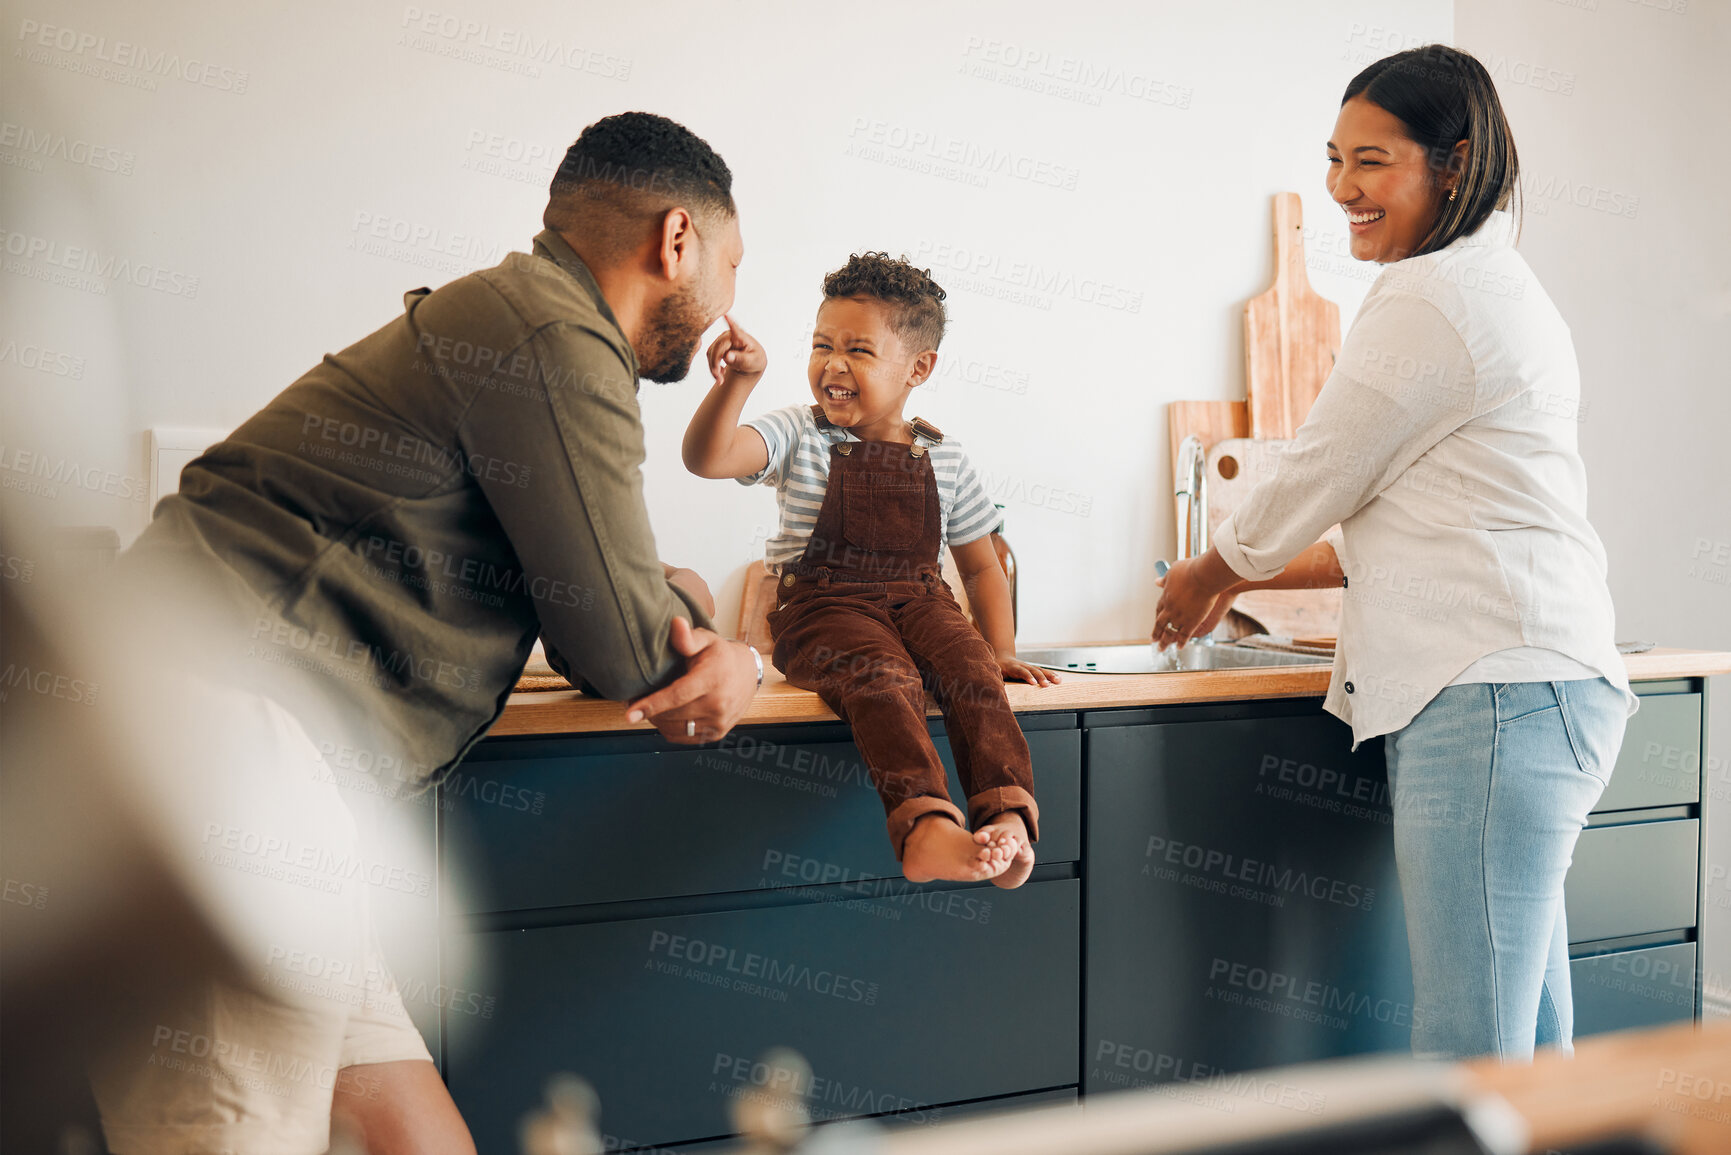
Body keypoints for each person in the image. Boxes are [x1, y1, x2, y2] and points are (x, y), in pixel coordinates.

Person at [93, 112, 762, 1154]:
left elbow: (610, 582)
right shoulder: (553, 330)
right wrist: (728, 648)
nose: (727, 300)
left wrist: (671, 598)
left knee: (410, 1128)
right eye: (729, 263)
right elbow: (623, 646)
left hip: (275, 777)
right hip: (220, 755)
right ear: (677, 239)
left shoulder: (511, 320)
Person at [1152, 46, 1635, 1062]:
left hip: (1495, 691)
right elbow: (1397, 496)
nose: (1341, 189)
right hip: (1535, 683)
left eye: (1370, 161)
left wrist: (1212, 568)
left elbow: (1320, 467)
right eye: (1334, 159)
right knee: (1526, 1043)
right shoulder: (1489, 283)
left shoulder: (1430, 297)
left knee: (1469, 1049)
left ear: (1451, 164)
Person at [681, 253, 1059, 887]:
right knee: (882, 675)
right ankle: (924, 828)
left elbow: (982, 567)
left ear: (919, 368)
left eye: (858, 350)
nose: (833, 363)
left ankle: (1007, 815)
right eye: (822, 344)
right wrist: (737, 384)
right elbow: (708, 457)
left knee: (971, 673)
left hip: (923, 602)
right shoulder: (797, 434)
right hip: (824, 609)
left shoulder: (945, 455)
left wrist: (998, 650)